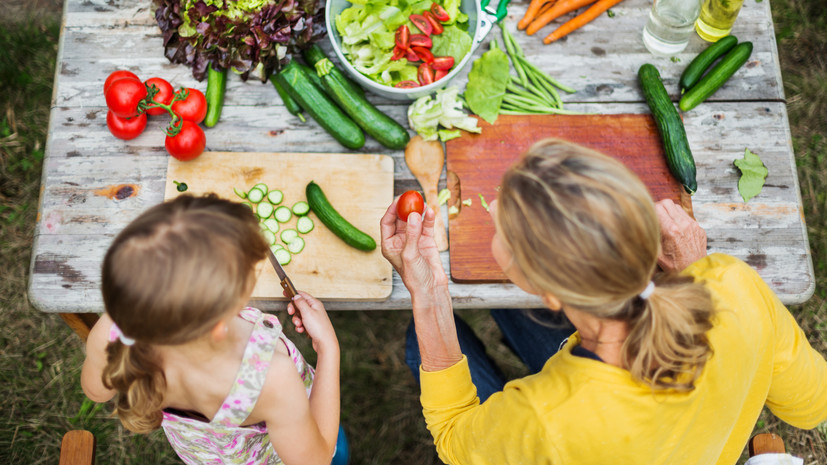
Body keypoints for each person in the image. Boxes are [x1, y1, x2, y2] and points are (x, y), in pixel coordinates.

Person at [381, 138, 827, 464]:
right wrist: (698, 273)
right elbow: (812, 407)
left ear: (550, 293)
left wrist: (429, 292)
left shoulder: (545, 419)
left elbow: (454, 436)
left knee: (422, 344)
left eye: (506, 233)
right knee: (503, 311)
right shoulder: (732, 284)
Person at [81, 194, 342, 465]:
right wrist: (328, 349)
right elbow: (316, 459)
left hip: (206, 454)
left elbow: (96, 392)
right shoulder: (272, 378)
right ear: (219, 326)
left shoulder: (111, 331)